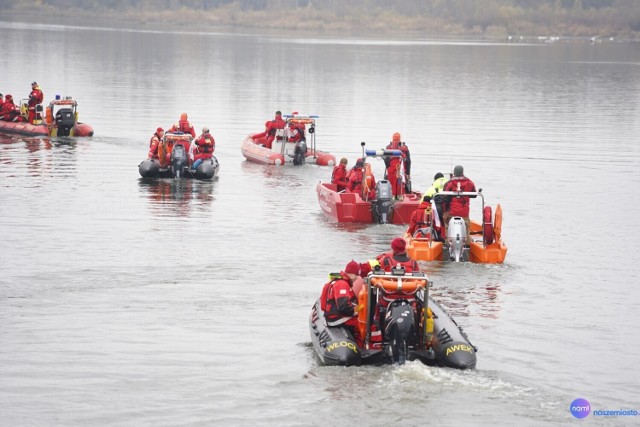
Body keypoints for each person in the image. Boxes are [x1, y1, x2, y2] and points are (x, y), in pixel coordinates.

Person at [321, 260, 362, 345]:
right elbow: (343, 307)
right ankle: (362, 348)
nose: (357, 278)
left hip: (333, 317)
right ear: (351, 274)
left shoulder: (339, 281)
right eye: (356, 275)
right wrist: (356, 312)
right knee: (364, 324)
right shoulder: (342, 284)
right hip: (337, 320)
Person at [442, 165, 476, 244]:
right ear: (462, 172)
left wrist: (445, 211)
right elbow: (474, 194)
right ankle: (468, 244)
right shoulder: (469, 183)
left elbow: (445, 199)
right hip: (464, 213)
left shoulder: (449, 183)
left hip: (452, 213)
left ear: (454, 173)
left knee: (447, 226)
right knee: (466, 228)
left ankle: (447, 243)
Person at [385, 132, 412, 198]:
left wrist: (388, 166)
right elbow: (408, 161)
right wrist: (408, 173)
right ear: (400, 139)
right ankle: (400, 196)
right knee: (399, 181)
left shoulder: (388, 147)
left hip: (391, 168)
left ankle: (392, 197)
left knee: (391, 183)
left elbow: (386, 160)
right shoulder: (404, 147)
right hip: (400, 167)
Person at [423, 172, 448, 239]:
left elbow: (423, 202)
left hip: (435, 214)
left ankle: (437, 237)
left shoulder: (431, 188)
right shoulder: (450, 187)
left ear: (435, 180)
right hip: (448, 212)